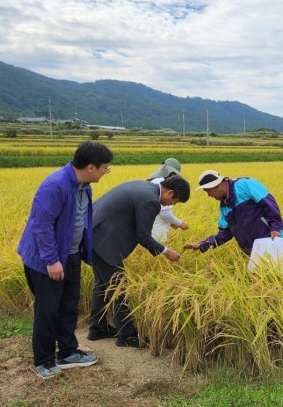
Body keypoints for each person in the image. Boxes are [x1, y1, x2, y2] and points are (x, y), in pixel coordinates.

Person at [17, 141, 113, 380]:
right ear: (91, 167)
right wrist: (51, 260)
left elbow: (80, 221)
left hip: (70, 256)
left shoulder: (84, 187)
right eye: (105, 168)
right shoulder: (55, 185)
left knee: (69, 305)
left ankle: (68, 353)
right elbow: (41, 225)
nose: (105, 172)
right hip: (46, 260)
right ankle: (44, 360)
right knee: (48, 310)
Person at [88, 175, 191, 347]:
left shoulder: (143, 187)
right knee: (119, 286)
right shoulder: (151, 200)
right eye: (175, 201)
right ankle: (127, 336)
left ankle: (97, 328)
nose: (171, 205)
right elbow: (143, 236)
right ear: (170, 192)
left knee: (102, 284)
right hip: (103, 242)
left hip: (94, 235)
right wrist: (166, 251)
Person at [184, 170, 283, 256]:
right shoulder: (224, 207)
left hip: (276, 241)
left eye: (208, 191)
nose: (209, 195)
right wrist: (203, 244)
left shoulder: (245, 184)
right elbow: (225, 233)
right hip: (257, 252)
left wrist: (275, 227)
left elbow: (269, 204)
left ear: (215, 185)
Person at [147, 158, 189, 243]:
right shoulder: (163, 184)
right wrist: (180, 224)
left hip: (151, 223)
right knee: (157, 250)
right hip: (157, 228)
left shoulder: (155, 181)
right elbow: (164, 212)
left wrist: (171, 223)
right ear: (171, 173)